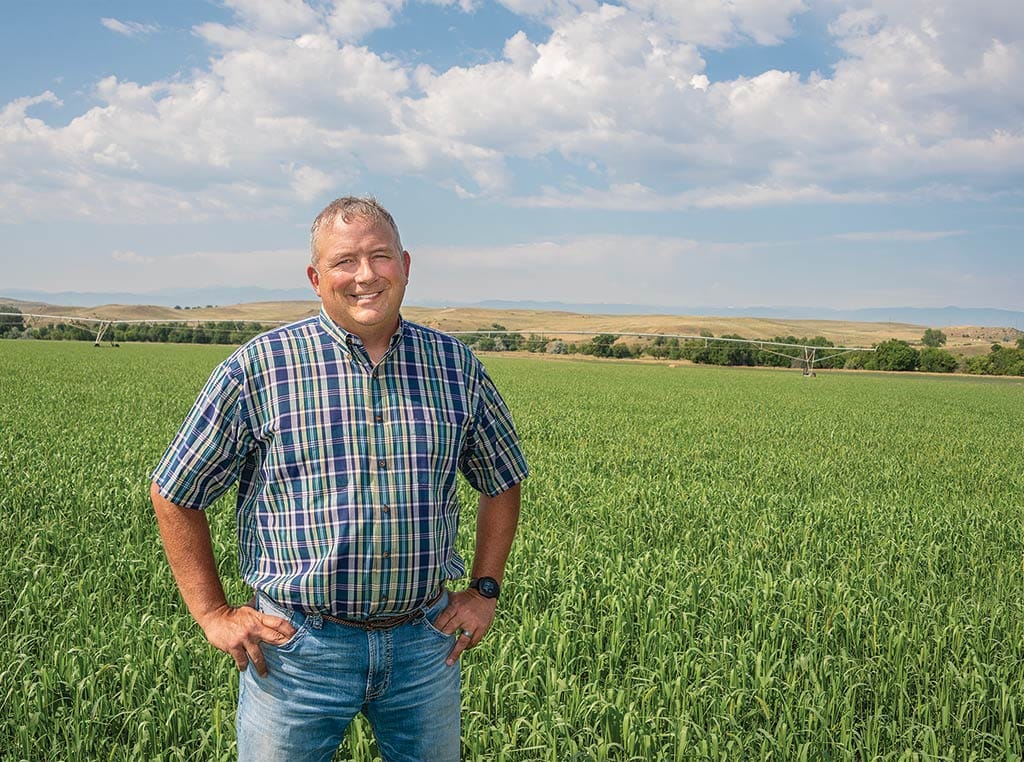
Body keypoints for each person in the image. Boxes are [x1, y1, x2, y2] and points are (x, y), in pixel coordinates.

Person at [150, 196, 528, 761]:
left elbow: (502, 478)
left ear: (405, 264)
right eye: (345, 261)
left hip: (424, 647)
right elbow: (176, 491)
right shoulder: (260, 368)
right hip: (297, 652)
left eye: (380, 257)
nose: (365, 275)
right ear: (315, 276)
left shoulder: (456, 367)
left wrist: (485, 590)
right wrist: (212, 613)